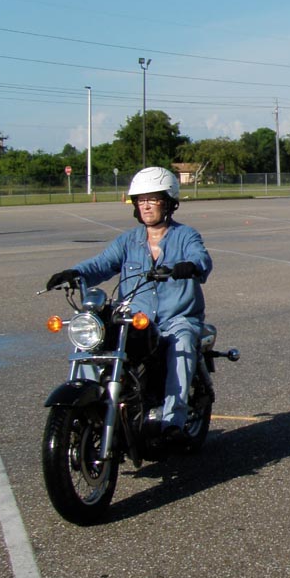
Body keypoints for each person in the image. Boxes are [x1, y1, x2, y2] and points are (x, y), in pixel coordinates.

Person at [44, 167, 212, 443]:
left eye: (153, 199)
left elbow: (201, 258)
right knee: (93, 342)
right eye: (140, 200)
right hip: (134, 318)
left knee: (181, 345)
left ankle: (172, 422)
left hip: (176, 318)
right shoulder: (128, 241)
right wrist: (74, 273)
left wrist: (190, 265)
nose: (146, 206)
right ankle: (89, 406)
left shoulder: (185, 236)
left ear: (169, 202)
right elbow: (101, 264)